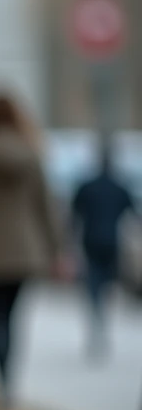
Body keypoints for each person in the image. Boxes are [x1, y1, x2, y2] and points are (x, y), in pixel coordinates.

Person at [0, 93, 63, 410]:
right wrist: (58, 249)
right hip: (24, 249)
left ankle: (0, 379)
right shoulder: (32, 154)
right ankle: (9, 382)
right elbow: (45, 204)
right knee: (14, 319)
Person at [71, 134, 137, 358]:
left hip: (91, 241)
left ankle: (96, 323)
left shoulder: (87, 186)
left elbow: (74, 214)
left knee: (93, 286)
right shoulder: (120, 186)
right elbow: (132, 213)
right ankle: (101, 322)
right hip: (111, 242)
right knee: (106, 286)